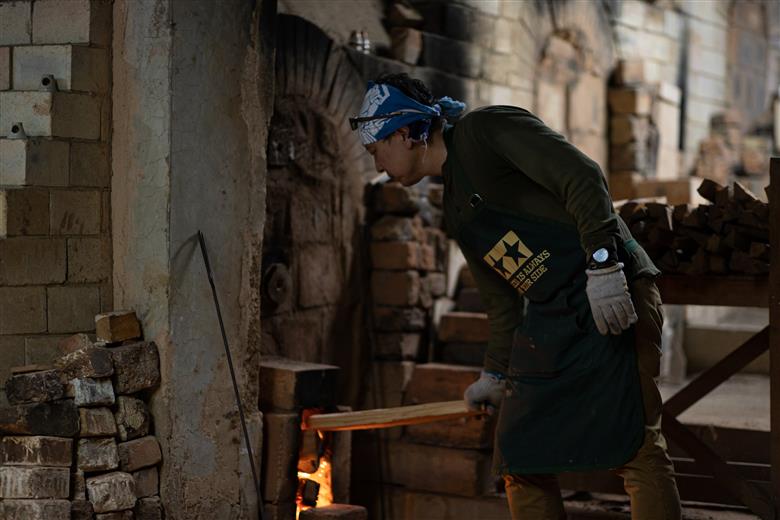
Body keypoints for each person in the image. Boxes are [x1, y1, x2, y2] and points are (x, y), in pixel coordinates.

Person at [350, 73, 682, 519]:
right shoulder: (453, 204)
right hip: (555, 314)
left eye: (376, 151)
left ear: (406, 132)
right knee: (518, 455)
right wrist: (494, 373)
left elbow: (582, 175)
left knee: (634, 442)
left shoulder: (487, 131)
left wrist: (603, 263)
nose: (377, 167)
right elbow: (501, 301)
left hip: (613, 291)